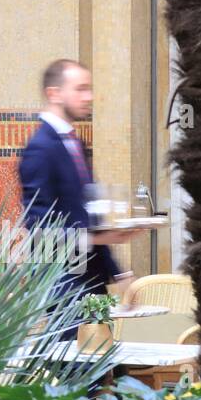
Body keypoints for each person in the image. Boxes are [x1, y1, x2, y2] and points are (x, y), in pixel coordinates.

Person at [18, 59, 135, 305]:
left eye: (89, 89)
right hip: (61, 283)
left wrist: (118, 272)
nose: (89, 97)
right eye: (81, 89)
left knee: (100, 345)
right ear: (54, 94)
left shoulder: (75, 143)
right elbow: (40, 229)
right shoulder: (40, 148)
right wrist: (99, 237)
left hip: (92, 280)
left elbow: (86, 217)